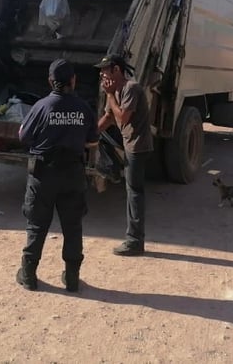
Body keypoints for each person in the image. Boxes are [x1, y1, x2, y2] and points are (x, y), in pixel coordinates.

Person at [17, 59, 98, 292]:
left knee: (36, 225)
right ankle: (72, 278)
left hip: (43, 176)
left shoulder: (41, 106)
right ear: (73, 80)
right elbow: (92, 141)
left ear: (50, 81)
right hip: (73, 174)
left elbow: (23, 136)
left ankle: (29, 275)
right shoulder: (83, 108)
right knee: (72, 227)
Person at [95, 54, 153, 257]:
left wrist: (110, 95)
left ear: (117, 70)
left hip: (138, 146)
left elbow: (123, 119)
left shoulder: (131, 89)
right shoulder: (115, 90)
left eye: (105, 70)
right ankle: (134, 238)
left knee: (134, 192)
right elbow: (109, 117)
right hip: (128, 145)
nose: (102, 74)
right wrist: (88, 136)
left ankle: (135, 241)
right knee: (131, 190)